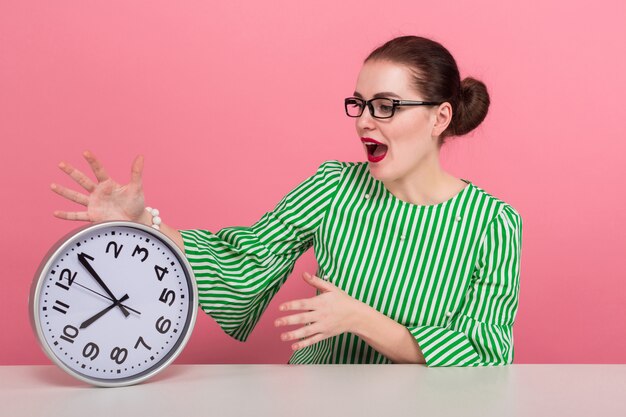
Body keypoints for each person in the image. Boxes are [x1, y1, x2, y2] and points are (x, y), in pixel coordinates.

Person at [51, 35, 523, 366]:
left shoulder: (494, 224)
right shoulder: (333, 186)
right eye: (359, 104)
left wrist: (361, 319)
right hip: (320, 398)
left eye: (386, 106)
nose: (363, 122)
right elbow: (244, 265)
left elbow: (484, 352)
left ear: (439, 118)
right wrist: (145, 226)